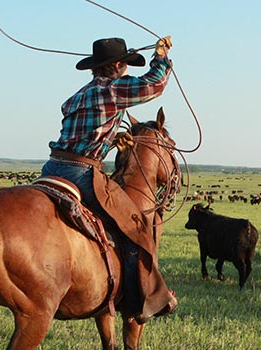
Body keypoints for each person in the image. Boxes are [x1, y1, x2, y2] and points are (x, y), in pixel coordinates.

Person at [41, 36, 176, 324]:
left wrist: (112, 139)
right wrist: (161, 57)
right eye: (125, 65)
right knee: (136, 229)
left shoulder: (76, 97)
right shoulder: (113, 89)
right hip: (82, 173)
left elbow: (79, 135)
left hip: (52, 169)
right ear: (116, 65)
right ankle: (136, 298)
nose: (126, 70)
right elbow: (155, 85)